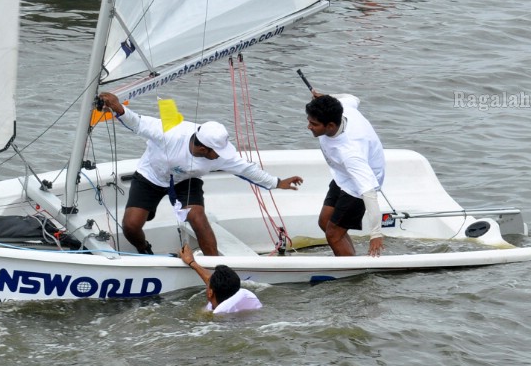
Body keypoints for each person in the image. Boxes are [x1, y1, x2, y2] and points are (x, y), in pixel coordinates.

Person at [98, 92, 303, 256]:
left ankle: (214, 267)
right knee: (131, 226)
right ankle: (144, 249)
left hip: (185, 181)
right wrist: (117, 106)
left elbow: (246, 169)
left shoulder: (221, 154)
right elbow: (137, 122)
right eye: (217, 152)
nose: (222, 156)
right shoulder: (170, 131)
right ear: (204, 148)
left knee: (197, 217)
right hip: (151, 176)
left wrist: (277, 182)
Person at [305, 91, 386, 257]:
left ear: (331, 126)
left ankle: (354, 276)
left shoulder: (350, 152)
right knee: (325, 222)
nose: (309, 126)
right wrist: (327, 97)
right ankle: (351, 256)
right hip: (343, 174)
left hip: (360, 184)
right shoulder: (344, 108)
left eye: (314, 124)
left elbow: (369, 193)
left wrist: (376, 234)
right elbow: (353, 98)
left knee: (333, 234)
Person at [179, 244, 263, 314]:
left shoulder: (215, 316)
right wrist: (191, 262)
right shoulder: (244, 296)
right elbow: (211, 281)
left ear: (210, 293)